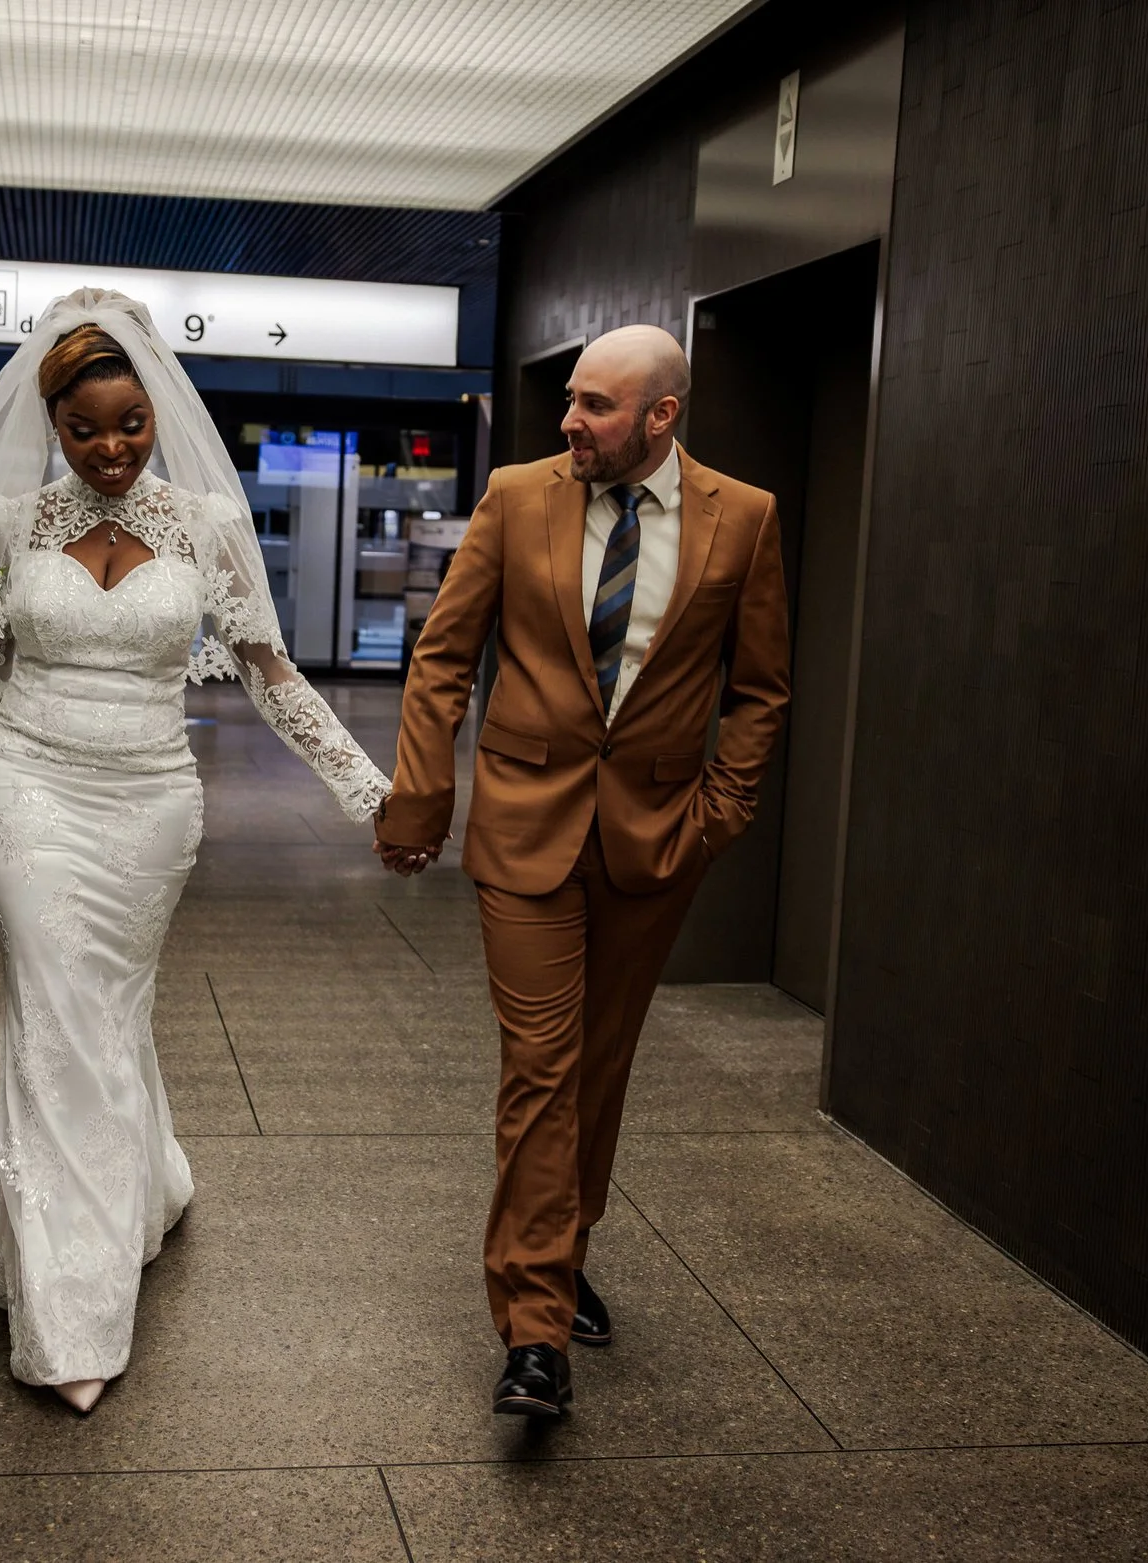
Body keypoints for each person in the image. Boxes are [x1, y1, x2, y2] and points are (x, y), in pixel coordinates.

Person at [0, 289, 390, 1415]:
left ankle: (122, 1189)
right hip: (24, 787)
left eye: (129, 425)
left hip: (151, 805)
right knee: (58, 1006)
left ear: (155, 413)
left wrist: (375, 795)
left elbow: (273, 677)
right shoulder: (9, 528)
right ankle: (70, 1312)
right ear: (50, 426)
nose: (111, 449)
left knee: (104, 1015)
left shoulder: (207, 526)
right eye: (85, 430)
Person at [375, 325, 791, 1418]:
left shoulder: (741, 518)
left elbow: (758, 690)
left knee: (597, 1067)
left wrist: (721, 812)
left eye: (597, 406)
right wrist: (421, 797)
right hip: (522, 826)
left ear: (662, 416)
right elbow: (445, 658)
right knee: (542, 1067)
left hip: (656, 837)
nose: (571, 421)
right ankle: (534, 1330)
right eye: (569, 399)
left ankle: (558, 1246)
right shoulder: (517, 496)